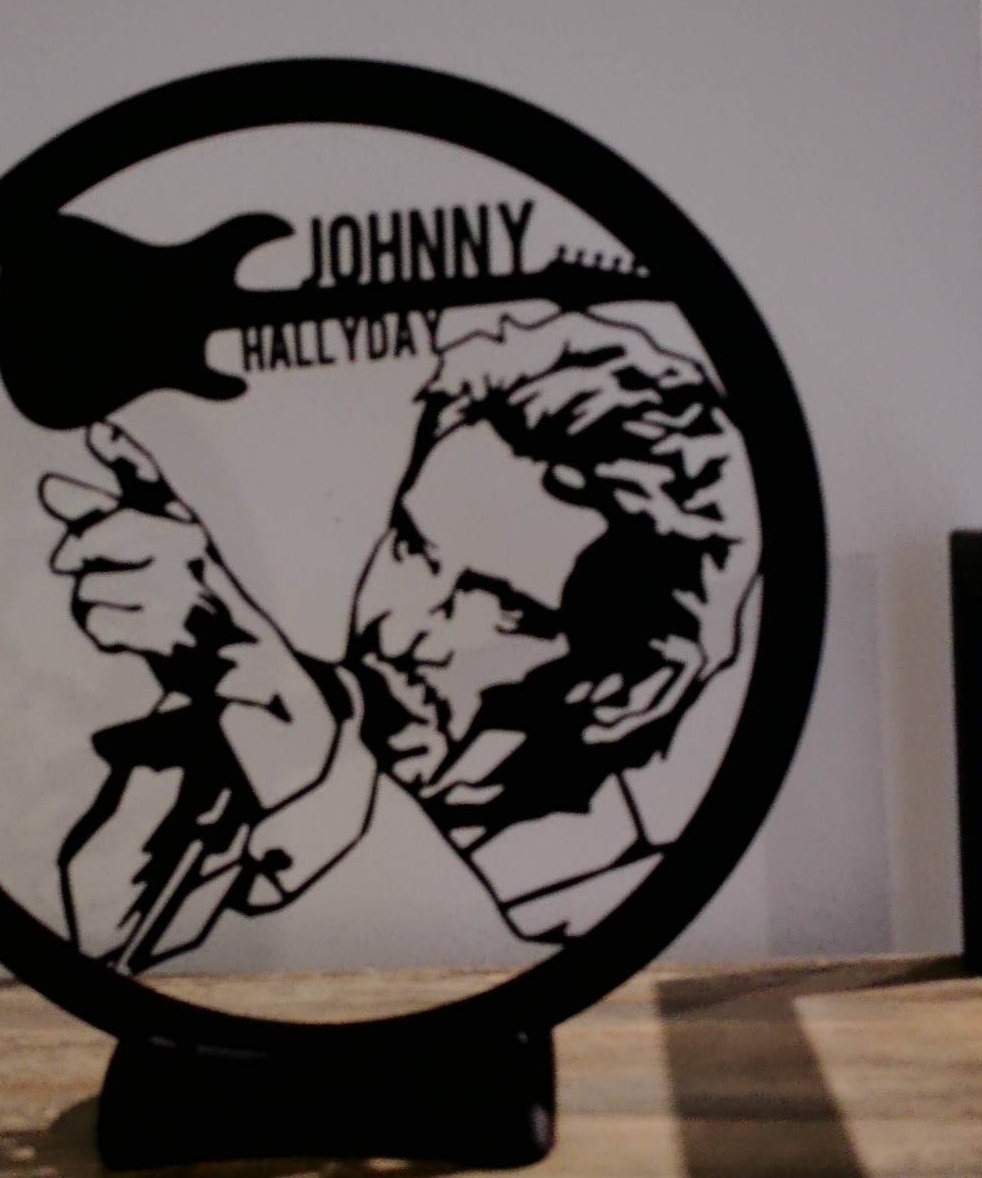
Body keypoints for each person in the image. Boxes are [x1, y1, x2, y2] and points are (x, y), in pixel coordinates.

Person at [39, 307, 760, 974]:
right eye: (410, 547)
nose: (400, 625)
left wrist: (309, 778)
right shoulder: (266, 789)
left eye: (499, 608)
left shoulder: (634, 928)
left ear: (630, 691)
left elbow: (455, 997)